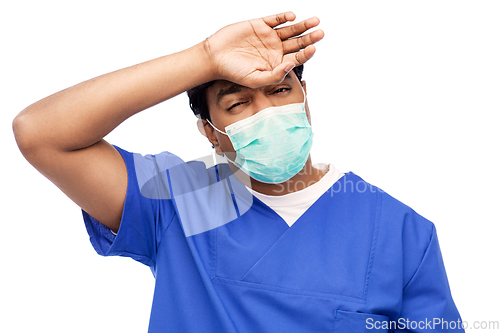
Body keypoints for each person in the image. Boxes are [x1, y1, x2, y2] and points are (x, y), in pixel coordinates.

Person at [13, 11, 464, 333]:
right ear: (210, 133)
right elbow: (41, 133)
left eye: (280, 90)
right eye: (237, 103)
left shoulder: (400, 232)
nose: (266, 112)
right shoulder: (178, 201)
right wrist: (205, 57)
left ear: (305, 96)